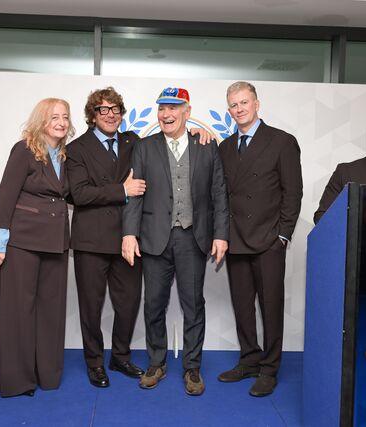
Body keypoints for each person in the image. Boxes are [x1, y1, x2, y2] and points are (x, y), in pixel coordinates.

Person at [66, 87, 215, 388]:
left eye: (115, 109)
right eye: (103, 110)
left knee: (129, 304)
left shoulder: (133, 142)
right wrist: (120, 190)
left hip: (130, 241)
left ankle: (120, 356)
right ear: (92, 115)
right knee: (91, 308)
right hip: (92, 241)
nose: (110, 115)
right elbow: (78, 194)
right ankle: (95, 363)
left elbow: (172, 139)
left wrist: (200, 131)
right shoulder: (77, 148)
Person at [121, 87, 229, 396]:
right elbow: (135, 194)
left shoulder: (206, 145)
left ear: (187, 112)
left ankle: (192, 367)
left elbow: (219, 192)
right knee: (153, 304)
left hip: (192, 238)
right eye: (162, 108)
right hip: (154, 237)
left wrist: (221, 234)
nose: (166, 114)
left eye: (173, 108)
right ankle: (157, 362)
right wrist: (129, 233)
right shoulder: (144, 147)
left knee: (193, 305)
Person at [216, 81, 303, 397]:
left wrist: (283, 235)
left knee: (270, 307)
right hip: (236, 239)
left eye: (244, 102)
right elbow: (221, 194)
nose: (239, 109)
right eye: (233, 105)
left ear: (256, 104)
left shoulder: (282, 141)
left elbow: (293, 192)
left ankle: (269, 368)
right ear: (229, 110)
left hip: (269, 240)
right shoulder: (225, 147)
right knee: (242, 306)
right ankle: (249, 360)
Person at [0, 98, 74, 397]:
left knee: (52, 312)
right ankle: (17, 380)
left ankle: (46, 375)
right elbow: (5, 198)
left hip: (56, 243)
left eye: (65, 116)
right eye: (54, 117)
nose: (61, 122)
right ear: (41, 120)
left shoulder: (65, 155)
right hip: (22, 243)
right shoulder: (23, 150)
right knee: (18, 311)